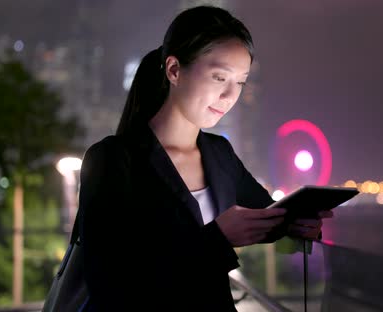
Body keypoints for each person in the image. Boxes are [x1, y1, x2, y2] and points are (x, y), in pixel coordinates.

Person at [78, 5, 332, 311]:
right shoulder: (113, 159)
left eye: (240, 82)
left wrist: (299, 224)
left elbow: (266, 216)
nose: (230, 95)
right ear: (174, 70)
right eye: (218, 77)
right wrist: (218, 237)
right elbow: (110, 280)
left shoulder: (219, 154)